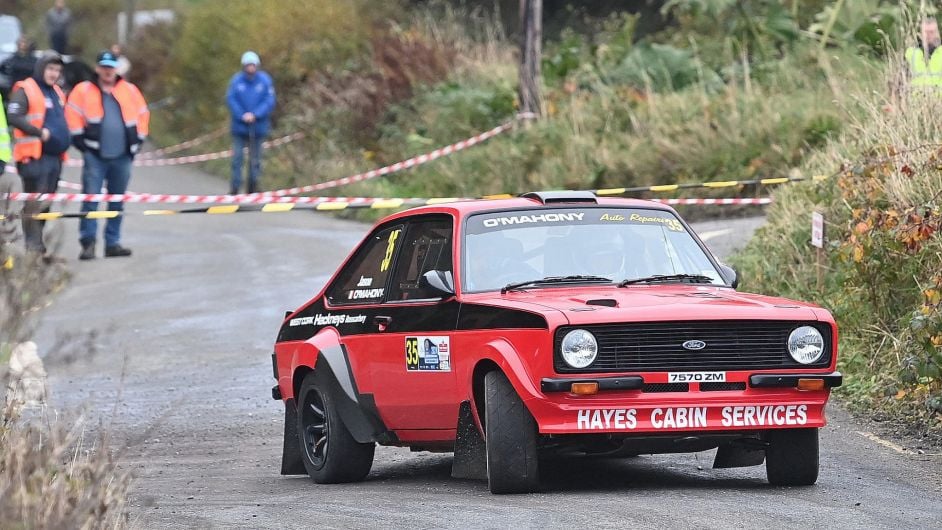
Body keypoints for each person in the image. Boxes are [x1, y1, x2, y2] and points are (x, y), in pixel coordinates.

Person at [65, 49, 149, 260]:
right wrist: (80, 141)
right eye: (104, 67)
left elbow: (143, 114)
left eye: (111, 67)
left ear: (116, 69)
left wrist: (138, 140)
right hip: (95, 155)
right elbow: (72, 113)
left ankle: (112, 243)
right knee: (91, 200)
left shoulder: (129, 90)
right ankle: (88, 243)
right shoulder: (83, 90)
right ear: (97, 68)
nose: (107, 71)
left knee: (117, 201)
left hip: (122, 156)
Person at [6, 52, 69, 262]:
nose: (54, 74)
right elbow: (14, 116)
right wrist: (38, 132)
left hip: (54, 157)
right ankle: (33, 247)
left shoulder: (57, 92)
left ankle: (39, 244)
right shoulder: (27, 89)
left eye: (58, 70)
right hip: (33, 157)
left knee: (46, 203)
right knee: (34, 202)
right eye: (51, 69)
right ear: (41, 68)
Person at [226, 51, 275, 194]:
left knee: (255, 160)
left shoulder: (265, 81)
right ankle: (235, 187)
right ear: (243, 66)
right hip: (239, 127)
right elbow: (231, 99)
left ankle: (252, 187)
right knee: (237, 159)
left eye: (253, 65)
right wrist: (242, 115)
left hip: (258, 127)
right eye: (248, 65)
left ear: (257, 66)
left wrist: (256, 114)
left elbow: (269, 100)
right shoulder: (236, 81)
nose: (250, 68)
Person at [905, 17, 942, 89]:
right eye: (926, 32)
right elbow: (899, 82)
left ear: (938, 33)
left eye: (932, 32)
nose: (928, 35)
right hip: (916, 99)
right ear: (920, 34)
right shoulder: (911, 54)